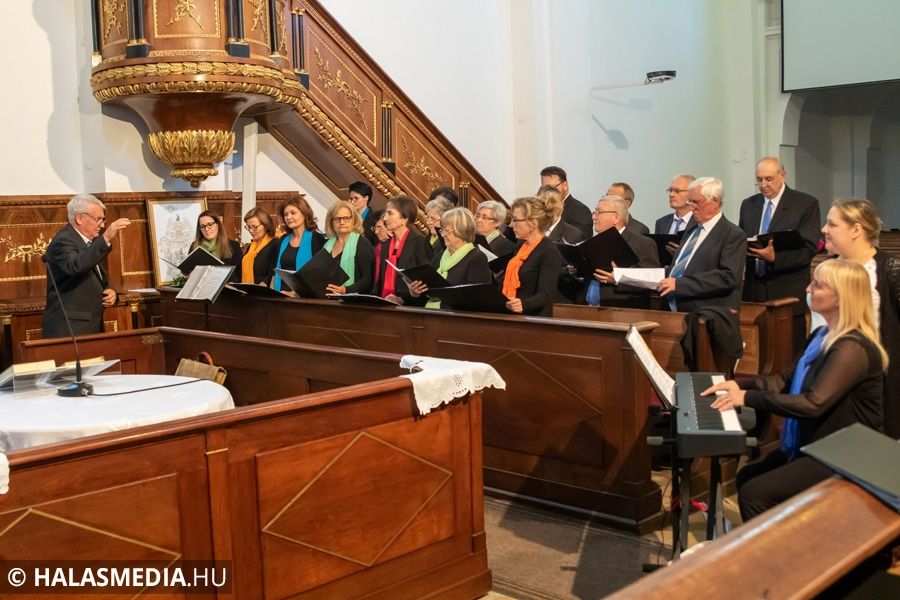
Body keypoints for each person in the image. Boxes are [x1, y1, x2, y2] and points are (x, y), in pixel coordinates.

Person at [703, 259, 887, 520]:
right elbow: (781, 381)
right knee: (747, 475)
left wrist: (747, 397)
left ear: (841, 297)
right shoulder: (821, 335)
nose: (808, 289)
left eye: (817, 285)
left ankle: (786, 545)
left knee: (756, 493)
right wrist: (738, 384)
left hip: (847, 453)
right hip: (819, 443)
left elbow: (813, 404)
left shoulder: (852, 347)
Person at [821, 198, 900, 439]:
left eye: (832, 224)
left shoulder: (889, 269)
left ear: (856, 229)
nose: (824, 229)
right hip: (833, 376)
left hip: (877, 386)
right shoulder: (831, 267)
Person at [739, 157, 821, 348]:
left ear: (782, 176)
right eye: (759, 180)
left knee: (788, 351)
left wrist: (776, 258)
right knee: (757, 351)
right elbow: (742, 238)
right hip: (754, 290)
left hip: (787, 290)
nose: (763, 185)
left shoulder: (805, 203)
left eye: (769, 179)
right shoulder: (749, 204)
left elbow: (809, 248)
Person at [42, 194, 131, 338]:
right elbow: (75, 266)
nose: (102, 225)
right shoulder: (63, 240)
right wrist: (106, 237)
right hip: (70, 328)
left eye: (103, 220)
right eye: (98, 219)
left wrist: (109, 291)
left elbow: (93, 276)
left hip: (89, 324)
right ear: (80, 218)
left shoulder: (89, 243)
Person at [657, 177, 746, 313]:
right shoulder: (692, 231)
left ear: (715, 201)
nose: (691, 207)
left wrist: (679, 284)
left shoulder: (732, 234)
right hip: (674, 311)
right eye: (690, 201)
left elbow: (727, 277)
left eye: (696, 202)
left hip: (706, 314)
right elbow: (685, 267)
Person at [408, 207, 492, 309]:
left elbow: (476, 299)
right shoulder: (440, 256)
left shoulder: (477, 258)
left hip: (456, 316)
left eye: (446, 231)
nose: (442, 234)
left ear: (461, 231)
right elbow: (427, 294)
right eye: (442, 230)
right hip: (431, 313)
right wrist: (416, 293)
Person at [585, 195, 661, 307]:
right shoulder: (593, 244)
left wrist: (618, 279)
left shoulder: (643, 243)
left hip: (624, 309)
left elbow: (652, 280)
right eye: (594, 212)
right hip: (588, 308)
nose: (594, 217)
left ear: (616, 218)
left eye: (599, 212)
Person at [502, 195, 563, 317]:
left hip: (534, 319)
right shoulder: (521, 246)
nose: (511, 225)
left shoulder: (549, 251)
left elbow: (545, 294)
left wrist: (523, 304)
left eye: (516, 220)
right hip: (513, 314)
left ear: (533, 224)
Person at [371, 195, 431, 303]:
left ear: (405, 218)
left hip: (411, 306)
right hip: (386, 303)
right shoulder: (386, 244)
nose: (384, 218)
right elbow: (379, 282)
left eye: (390, 213)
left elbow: (426, 282)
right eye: (386, 213)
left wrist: (402, 299)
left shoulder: (419, 242)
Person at [271, 196, 326, 294]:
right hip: (281, 295)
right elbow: (275, 272)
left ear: (304, 214)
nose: (288, 217)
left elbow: (319, 274)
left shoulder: (316, 239)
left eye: (293, 213)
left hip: (304, 297)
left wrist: (294, 293)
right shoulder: (283, 240)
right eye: (286, 214)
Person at [322, 200, 374, 295]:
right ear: (331, 222)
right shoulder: (326, 245)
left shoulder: (362, 243)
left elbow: (369, 279)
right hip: (326, 297)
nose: (342, 222)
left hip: (352, 300)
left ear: (354, 220)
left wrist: (346, 290)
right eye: (337, 219)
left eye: (346, 218)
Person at [540, 166, 593, 239]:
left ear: (565, 185)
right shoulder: (540, 209)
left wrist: (556, 221)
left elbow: (579, 239)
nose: (548, 192)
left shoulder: (581, 211)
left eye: (552, 188)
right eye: (544, 188)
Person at [191, 210, 242, 281]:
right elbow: (189, 270)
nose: (206, 229)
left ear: (218, 224)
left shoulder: (234, 246)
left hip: (226, 287)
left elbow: (239, 275)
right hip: (201, 287)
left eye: (210, 225)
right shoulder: (194, 246)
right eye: (202, 226)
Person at [241, 207, 279, 285]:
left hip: (263, 291)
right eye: (248, 227)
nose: (251, 231)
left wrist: (263, 283)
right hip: (246, 290)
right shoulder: (250, 247)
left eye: (254, 227)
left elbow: (273, 273)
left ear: (266, 225)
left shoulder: (275, 245)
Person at [349, 181, 379, 246]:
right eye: (351, 199)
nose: (352, 202)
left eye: (356, 198)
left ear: (366, 198)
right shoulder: (347, 215)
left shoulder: (374, 220)